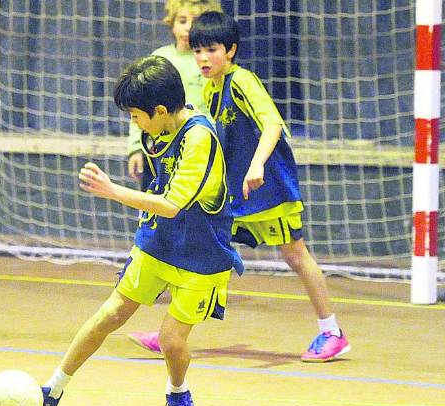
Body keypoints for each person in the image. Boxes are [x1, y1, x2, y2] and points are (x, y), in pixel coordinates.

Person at [130, 11, 351, 362]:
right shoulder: (209, 87)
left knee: (295, 255)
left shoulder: (242, 81)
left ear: (231, 50)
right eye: (198, 51)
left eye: (212, 50)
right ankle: (170, 333)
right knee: (206, 248)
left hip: (271, 186)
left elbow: (273, 124)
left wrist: (258, 164)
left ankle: (332, 332)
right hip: (237, 191)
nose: (203, 58)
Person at [40, 55, 243, 406]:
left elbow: (170, 205)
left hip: (202, 253)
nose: (133, 122)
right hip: (158, 242)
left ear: (162, 110)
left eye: (135, 114)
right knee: (109, 315)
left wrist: (112, 190)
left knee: (171, 339)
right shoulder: (157, 129)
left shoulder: (199, 139)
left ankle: (178, 393)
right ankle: (52, 389)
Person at [126, 0, 223, 191]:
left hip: (198, 147)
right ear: (172, 23)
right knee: (153, 203)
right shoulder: (159, 59)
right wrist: (136, 148)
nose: (188, 28)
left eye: (195, 21)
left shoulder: (211, 63)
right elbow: (140, 107)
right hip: (159, 147)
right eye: (182, 20)